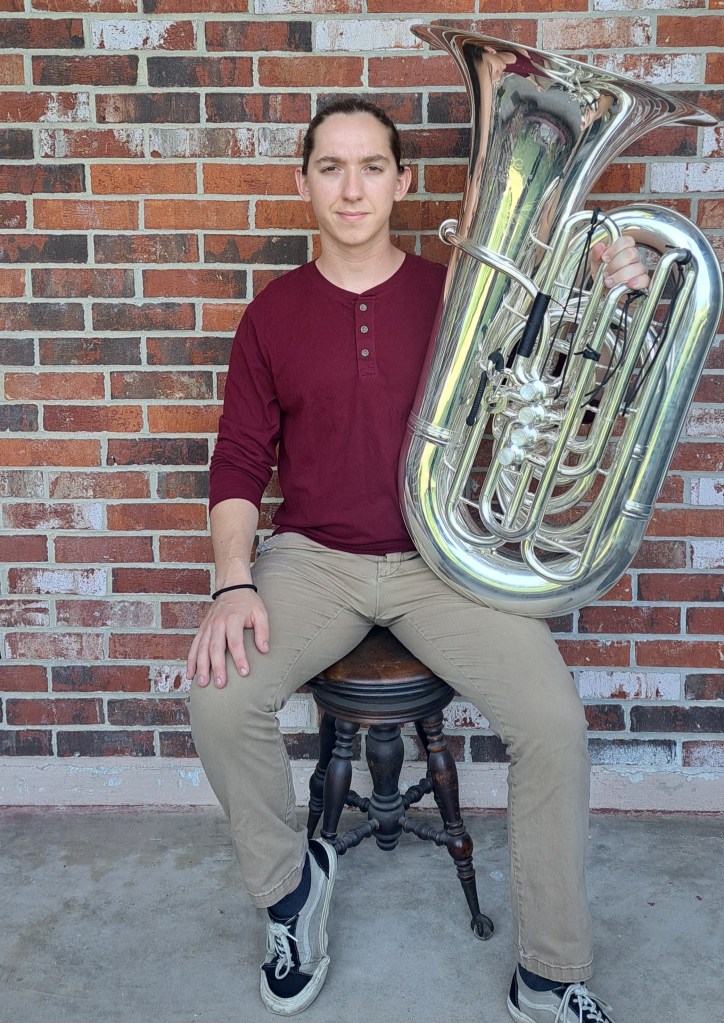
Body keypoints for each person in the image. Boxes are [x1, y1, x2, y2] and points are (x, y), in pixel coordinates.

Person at [187, 97, 649, 1022]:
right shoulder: (271, 315)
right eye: (330, 166)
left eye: (371, 166)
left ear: (402, 182)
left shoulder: (459, 294)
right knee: (219, 696)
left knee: (553, 723)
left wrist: (613, 296)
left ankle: (549, 973)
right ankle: (291, 895)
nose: (351, 187)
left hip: (446, 554)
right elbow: (238, 461)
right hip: (314, 558)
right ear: (304, 183)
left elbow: (565, 398)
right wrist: (233, 580)